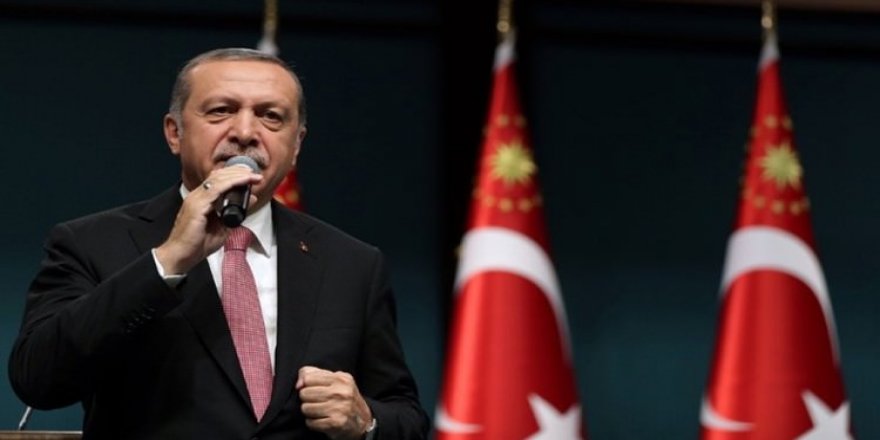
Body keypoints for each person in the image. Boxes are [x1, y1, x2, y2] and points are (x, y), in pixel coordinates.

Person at [8, 48, 429, 439]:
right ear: (174, 133)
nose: (245, 132)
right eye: (221, 111)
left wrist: (366, 420)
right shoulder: (91, 243)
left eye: (270, 117)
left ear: (296, 145)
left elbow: (406, 415)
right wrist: (168, 261)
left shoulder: (352, 262)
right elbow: (38, 380)